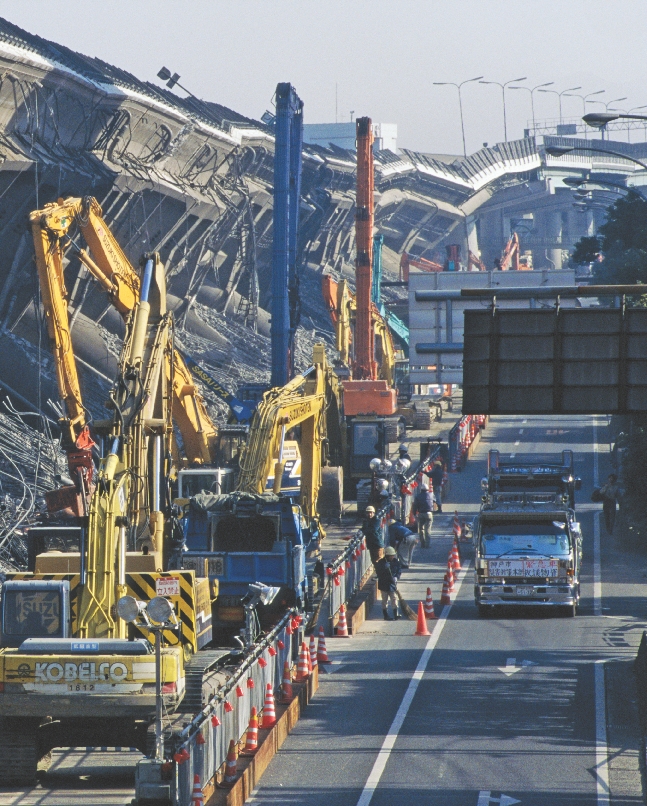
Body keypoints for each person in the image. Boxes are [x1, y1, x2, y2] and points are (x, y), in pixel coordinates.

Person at [375, 546, 402, 620]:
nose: (392, 557)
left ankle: (395, 613)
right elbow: (379, 573)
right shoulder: (381, 563)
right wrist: (384, 568)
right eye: (391, 555)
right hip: (384, 584)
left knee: (394, 598)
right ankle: (385, 615)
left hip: (392, 584)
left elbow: (399, 570)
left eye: (393, 555)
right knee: (384, 600)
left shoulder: (395, 562)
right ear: (387, 555)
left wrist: (396, 577)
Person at [412, 482, 435, 547]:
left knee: (421, 529)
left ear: (421, 489)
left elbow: (415, 506)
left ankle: (422, 543)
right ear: (427, 489)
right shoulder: (431, 495)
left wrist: (414, 513)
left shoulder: (418, 496)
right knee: (427, 530)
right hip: (429, 513)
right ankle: (427, 544)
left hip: (421, 513)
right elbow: (434, 501)